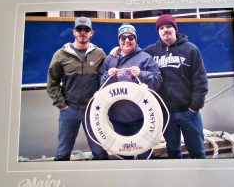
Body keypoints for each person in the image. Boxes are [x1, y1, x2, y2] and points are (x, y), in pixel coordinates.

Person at [143, 14, 208, 159]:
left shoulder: (191, 49)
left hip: (189, 113)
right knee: (173, 152)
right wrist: (116, 52)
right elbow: (131, 54)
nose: (165, 30)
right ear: (158, 31)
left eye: (169, 26)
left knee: (197, 152)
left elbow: (201, 81)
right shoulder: (149, 52)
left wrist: (194, 107)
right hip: (166, 114)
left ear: (175, 29)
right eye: (162, 27)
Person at [47, 16, 108, 161]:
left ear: (91, 33)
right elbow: (52, 83)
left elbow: (107, 76)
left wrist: (117, 50)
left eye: (86, 29)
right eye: (79, 29)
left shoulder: (99, 54)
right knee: (63, 154)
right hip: (69, 111)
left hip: (92, 111)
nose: (83, 32)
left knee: (100, 153)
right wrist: (62, 105)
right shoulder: (60, 54)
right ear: (74, 32)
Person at [99, 23, 162, 159]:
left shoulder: (145, 58)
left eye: (131, 37)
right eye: (123, 37)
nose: (127, 40)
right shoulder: (110, 59)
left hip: (141, 118)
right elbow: (100, 83)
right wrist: (107, 75)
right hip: (117, 119)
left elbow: (157, 81)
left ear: (135, 39)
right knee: (124, 158)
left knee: (145, 156)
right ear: (118, 40)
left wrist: (141, 74)